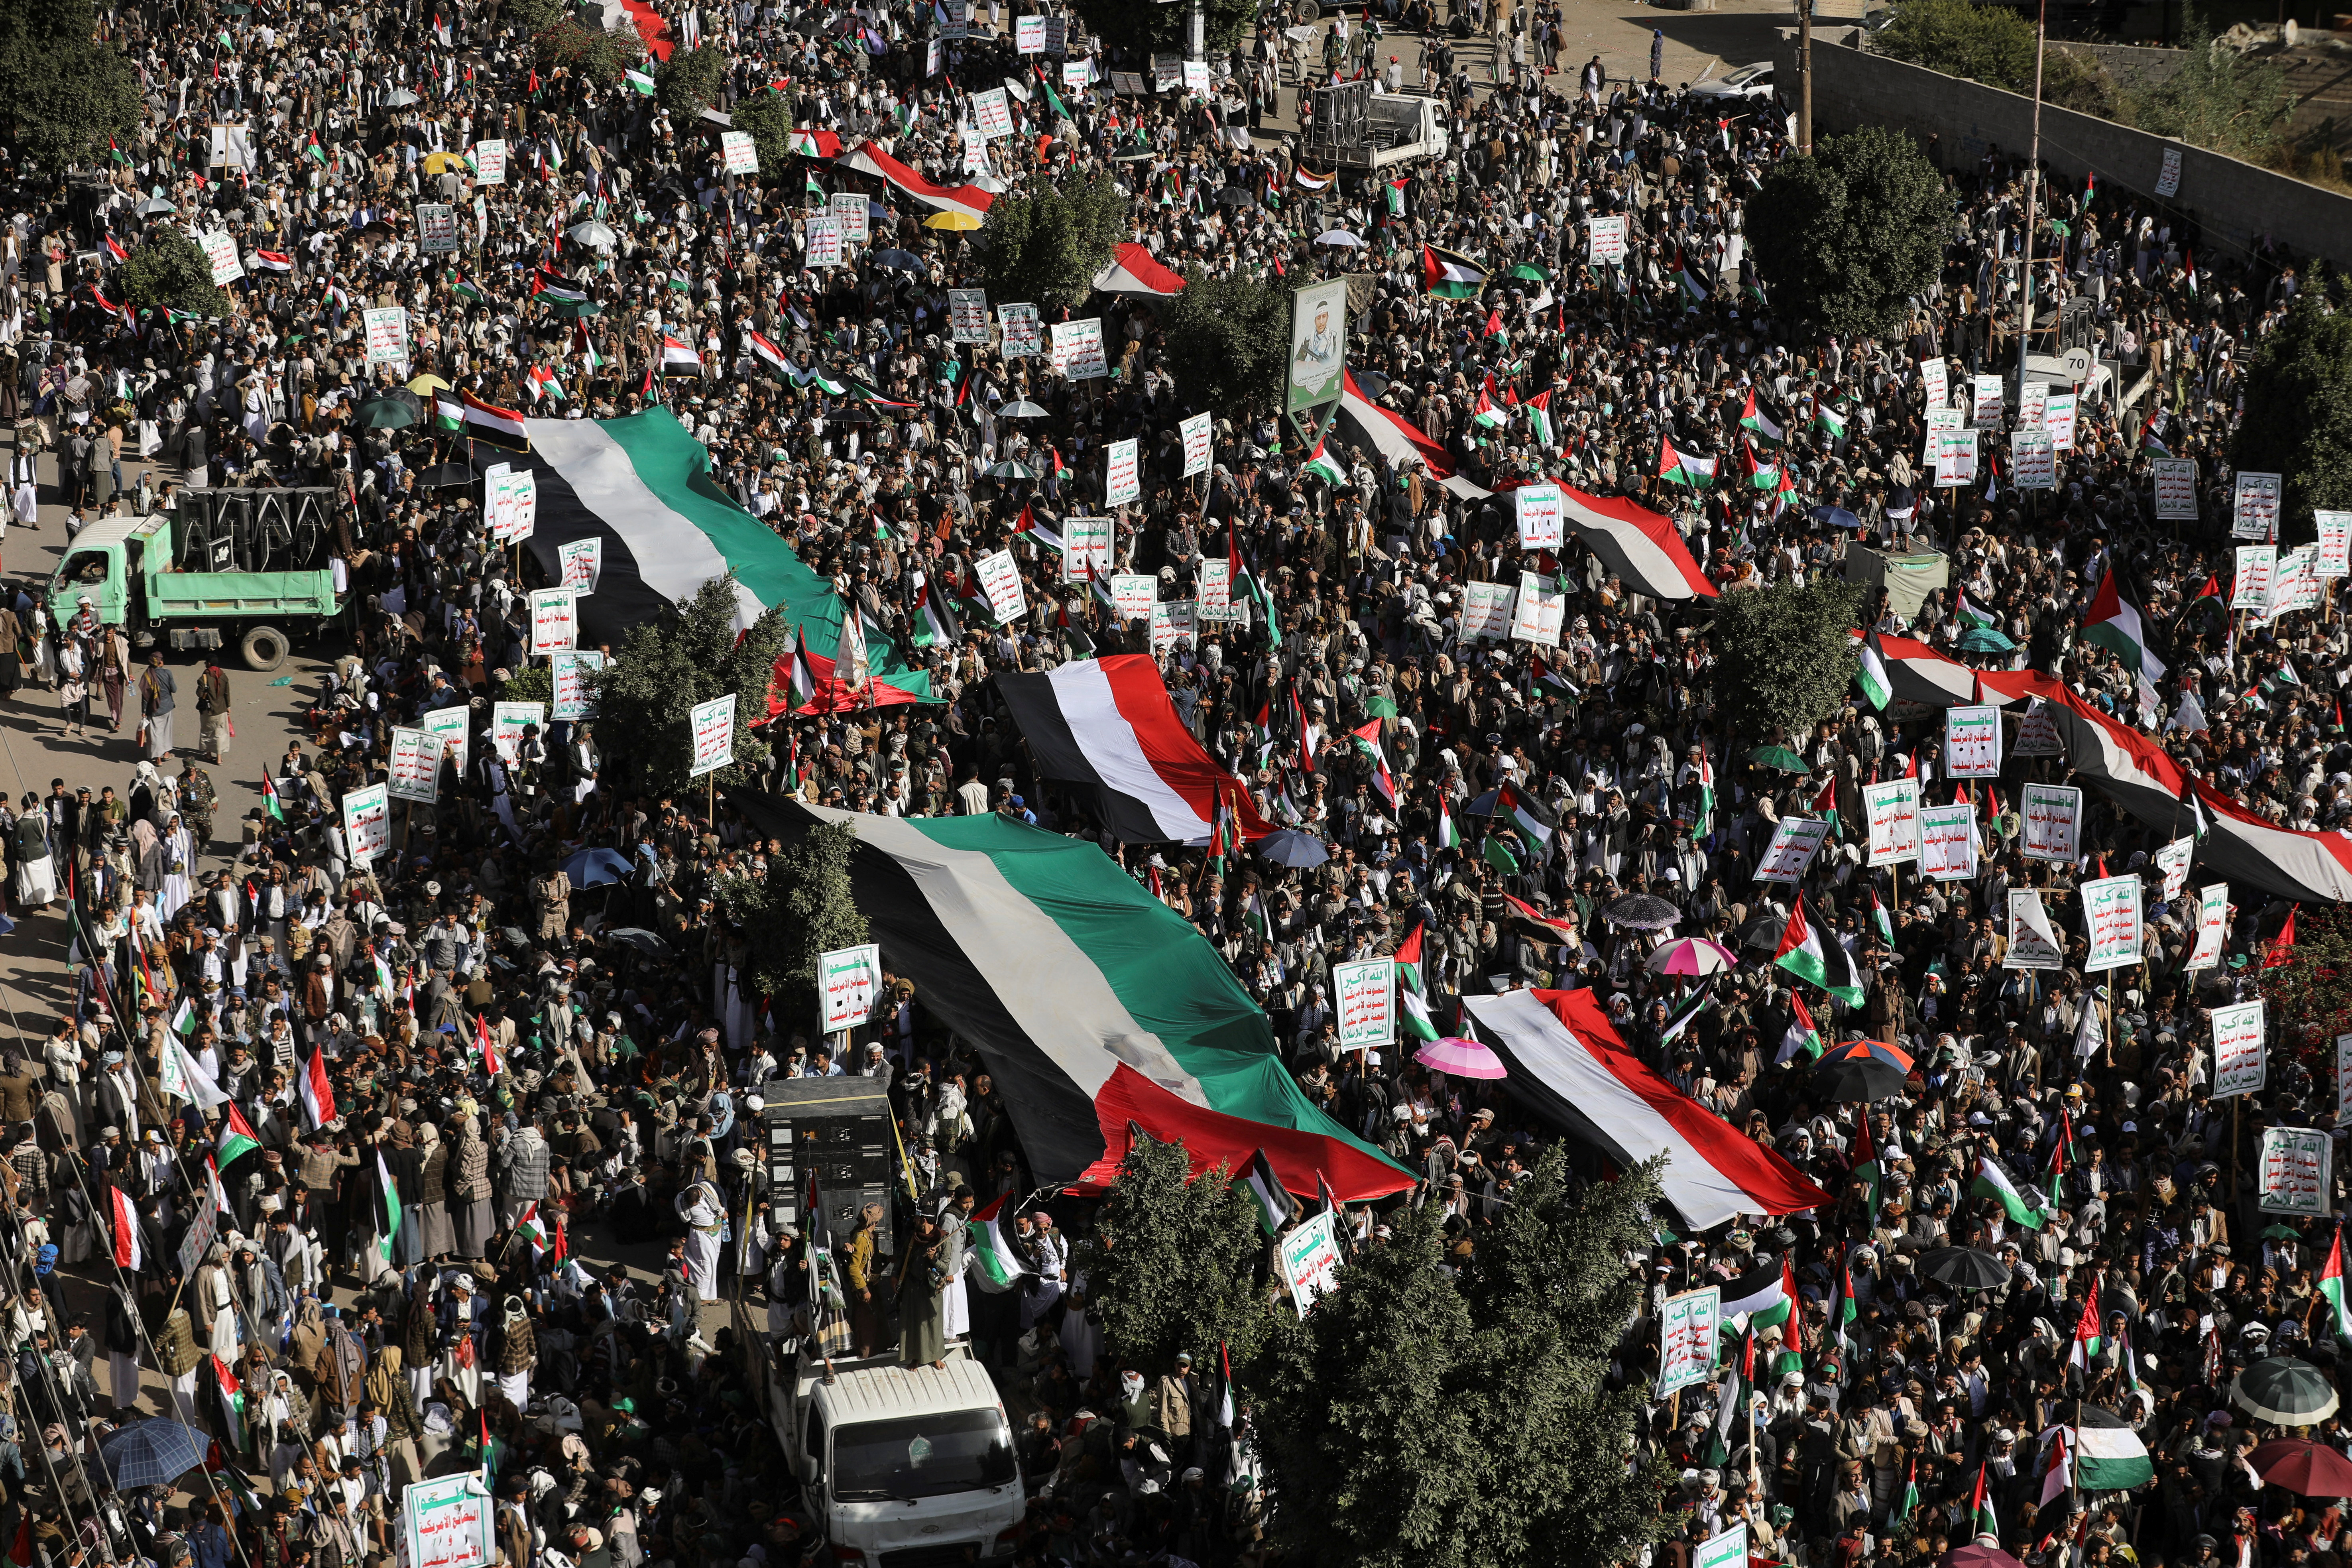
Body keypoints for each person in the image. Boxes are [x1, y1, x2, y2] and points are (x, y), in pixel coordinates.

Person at [137, 651, 176, 761]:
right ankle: (167, 754)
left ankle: (158, 759)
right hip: (168, 707)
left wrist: (144, 711)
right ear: (159, 662)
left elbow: (145, 696)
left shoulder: (147, 675)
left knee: (155, 734)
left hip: (154, 709)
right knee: (166, 732)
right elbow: (174, 690)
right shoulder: (168, 673)